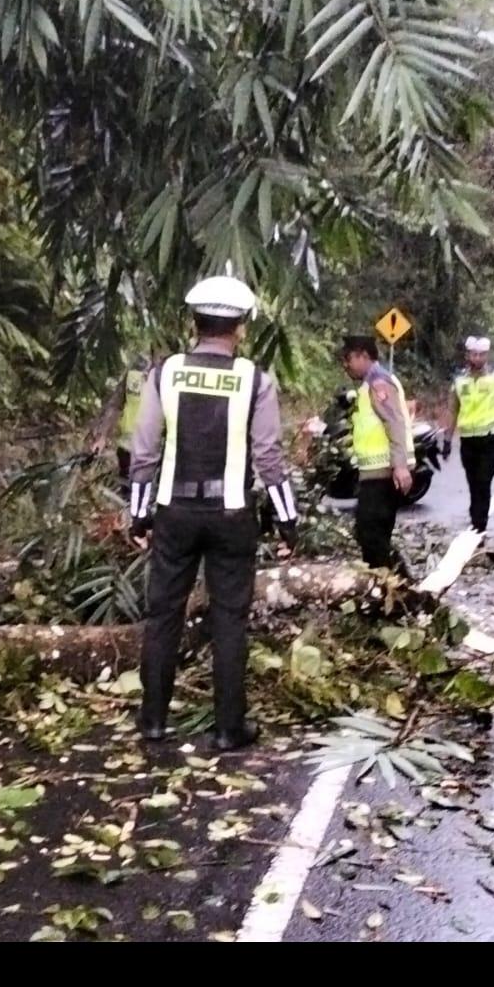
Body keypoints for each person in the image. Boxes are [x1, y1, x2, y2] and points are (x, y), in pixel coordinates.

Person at [127, 275, 300, 752]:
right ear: (240, 328)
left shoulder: (165, 373)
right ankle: (228, 729)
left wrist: (139, 516)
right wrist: (288, 521)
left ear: (194, 323)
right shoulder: (256, 380)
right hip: (231, 516)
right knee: (229, 619)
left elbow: (143, 449)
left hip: (174, 512)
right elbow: (268, 457)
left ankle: (154, 722)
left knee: (163, 615)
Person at [442, 322, 494, 539]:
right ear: (468, 355)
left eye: (481, 355)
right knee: (473, 484)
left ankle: (479, 527)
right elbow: (452, 410)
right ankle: (476, 523)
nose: (477, 358)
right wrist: (447, 441)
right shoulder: (459, 382)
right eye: (474, 354)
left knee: (483, 482)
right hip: (468, 442)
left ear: (486, 356)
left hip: (490, 441)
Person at [339, 335, 414, 576]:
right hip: (373, 474)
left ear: (363, 355)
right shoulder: (367, 386)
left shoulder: (378, 383)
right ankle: (392, 586)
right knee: (369, 534)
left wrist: (400, 466)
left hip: (383, 474)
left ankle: (397, 587)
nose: (346, 365)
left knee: (372, 535)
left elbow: (394, 422)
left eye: (348, 358)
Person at [92, 352, 156, 479]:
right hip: (128, 445)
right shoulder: (134, 373)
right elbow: (115, 405)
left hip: (151, 449)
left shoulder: (168, 376)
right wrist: (102, 436)